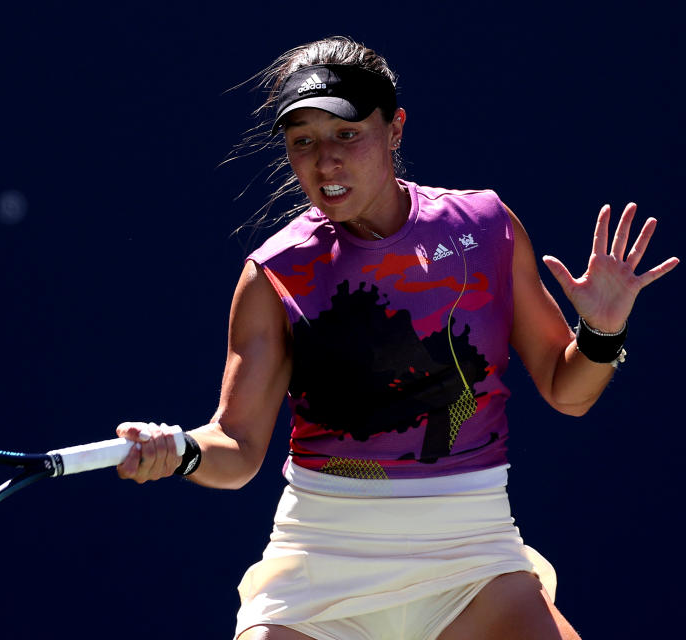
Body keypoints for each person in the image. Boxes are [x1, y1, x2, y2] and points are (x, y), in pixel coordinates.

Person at [115, 36, 679, 640]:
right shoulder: (274, 274)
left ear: (394, 128)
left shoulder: (485, 228)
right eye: (302, 142)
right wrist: (182, 450)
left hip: (474, 559)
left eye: (345, 134)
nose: (324, 162)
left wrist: (601, 331)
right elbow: (238, 444)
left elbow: (568, 391)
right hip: (322, 563)